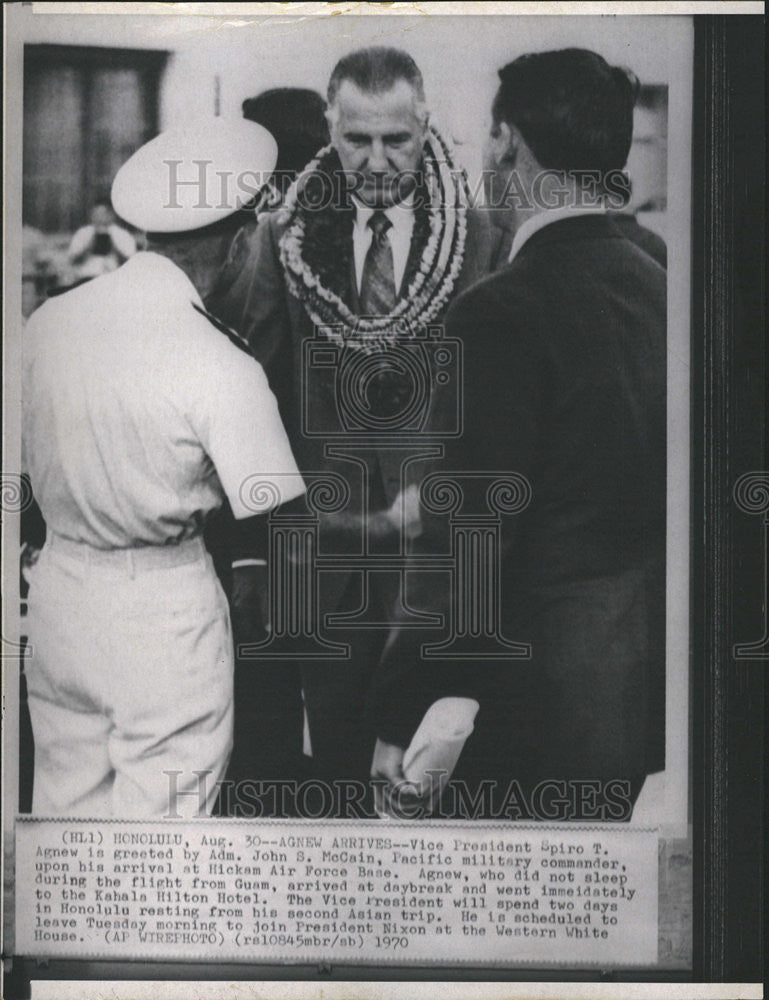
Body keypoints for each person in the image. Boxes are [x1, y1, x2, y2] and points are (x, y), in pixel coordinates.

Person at [370, 48, 667, 822]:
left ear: (505, 142)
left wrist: (403, 714)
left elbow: (466, 535)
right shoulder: (661, 282)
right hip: (631, 697)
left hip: (521, 706)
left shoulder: (500, 309)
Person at [208, 46, 492, 812]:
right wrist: (260, 557)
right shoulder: (280, 240)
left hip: (444, 570)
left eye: (394, 140)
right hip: (325, 565)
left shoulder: (480, 239)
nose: (374, 161)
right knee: (337, 776)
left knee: (439, 789)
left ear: (425, 123)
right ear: (329, 126)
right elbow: (251, 397)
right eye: (355, 139)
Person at [22, 117, 304, 818]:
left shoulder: (50, 322)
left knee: (65, 823)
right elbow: (278, 515)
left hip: (59, 597)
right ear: (241, 241)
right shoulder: (219, 360)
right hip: (161, 613)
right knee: (162, 846)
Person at [66, 198, 136, 282]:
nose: (100, 218)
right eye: (96, 214)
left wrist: (114, 247)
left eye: (103, 214)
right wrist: (88, 246)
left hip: (113, 276)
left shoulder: (122, 234)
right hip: (87, 276)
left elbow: (131, 262)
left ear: (111, 215)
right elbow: (72, 260)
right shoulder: (83, 233)